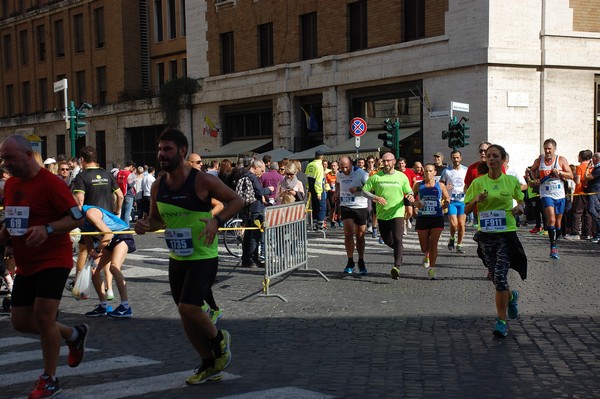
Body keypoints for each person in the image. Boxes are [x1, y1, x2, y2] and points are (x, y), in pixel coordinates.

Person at [134, 127, 243, 384]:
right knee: (185, 314)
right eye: (160, 149)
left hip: (203, 256)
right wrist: (145, 226)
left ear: (182, 151)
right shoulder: (158, 186)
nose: (162, 154)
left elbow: (236, 200)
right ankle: (209, 363)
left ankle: (219, 339)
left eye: (167, 149)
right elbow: (157, 221)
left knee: (189, 307)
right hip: (178, 257)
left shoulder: (201, 180)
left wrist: (217, 222)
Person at [0, 135, 87, 398]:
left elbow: (77, 217)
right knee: (20, 321)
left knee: (44, 317)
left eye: (9, 158)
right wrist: (6, 237)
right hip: (27, 263)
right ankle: (73, 334)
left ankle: (50, 379)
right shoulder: (12, 184)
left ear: (27, 155)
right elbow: (16, 218)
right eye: (3, 158)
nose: (5, 163)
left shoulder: (52, 183)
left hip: (53, 260)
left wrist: (48, 228)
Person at [464, 144, 526, 338]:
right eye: (489, 156)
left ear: (502, 159)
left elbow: (522, 201)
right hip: (486, 235)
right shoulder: (478, 183)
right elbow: (466, 209)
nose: (491, 159)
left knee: (500, 276)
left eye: (495, 156)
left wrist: (519, 208)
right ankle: (511, 296)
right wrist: (476, 201)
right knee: (495, 276)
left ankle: (501, 321)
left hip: (506, 234)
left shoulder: (511, 181)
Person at [72, 146, 124, 300]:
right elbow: (120, 195)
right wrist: (115, 212)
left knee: (85, 253)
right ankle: (109, 290)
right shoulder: (107, 174)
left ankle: (81, 288)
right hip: (107, 221)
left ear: (82, 159)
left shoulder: (81, 176)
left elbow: (80, 201)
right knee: (106, 254)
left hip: (90, 223)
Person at [360, 152, 415, 280]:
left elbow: (409, 190)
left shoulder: (402, 177)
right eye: (384, 161)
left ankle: (396, 266)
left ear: (394, 161)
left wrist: (411, 195)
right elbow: (364, 191)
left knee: (397, 238)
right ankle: (399, 250)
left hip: (397, 212)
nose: (386, 163)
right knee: (387, 240)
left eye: (388, 161)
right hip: (382, 214)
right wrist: (375, 197)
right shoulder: (376, 177)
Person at [82, 205, 136, 318]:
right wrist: (91, 256)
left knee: (114, 267)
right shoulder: (79, 219)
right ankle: (104, 306)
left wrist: (97, 250)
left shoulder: (90, 213)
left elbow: (109, 233)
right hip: (108, 241)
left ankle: (126, 307)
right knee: (93, 270)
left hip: (121, 235)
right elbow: (88, 240)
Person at [530, 139, 573, 259]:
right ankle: (553, 247)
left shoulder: (561, 160)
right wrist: (535, 179)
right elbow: (532, 170)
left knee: (558, 223)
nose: (547, 151)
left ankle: (557, 236)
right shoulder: (539, 160)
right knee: (551, 219)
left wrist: (560, 172)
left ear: (554, 149)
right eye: (545, 148)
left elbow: (571, 175)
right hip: (546, 194)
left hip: (559, 195)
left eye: (549, 148)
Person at [413, 163, 450, 280]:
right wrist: (415, 204)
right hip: (423, 218)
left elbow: (447, 198)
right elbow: (411, 198)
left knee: (434, 242)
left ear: (435, 173)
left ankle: (432, 268)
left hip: (437, 217)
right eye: (426, 171)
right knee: (424, 247)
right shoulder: (418, 185)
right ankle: (427, 254)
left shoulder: (440, 185)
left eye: (430, 171)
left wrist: (446, 202)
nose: (428, 173)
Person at [336, 156, 369, 275]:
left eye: (346, 167)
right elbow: (338, 183)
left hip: (360, 206)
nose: (344, 170)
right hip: (346, 206)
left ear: (351, 164)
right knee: (348, 234)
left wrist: (358, 188)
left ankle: (361, 260)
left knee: (360, 235)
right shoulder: (339, 174)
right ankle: (350, 261)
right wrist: (337, 193)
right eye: (342, 167)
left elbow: (370, 188)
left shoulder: (361, 173)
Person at [240, 159, 273, 268]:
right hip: (255, 208)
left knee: (248, 236)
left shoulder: (243, 174)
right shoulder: (253, 177)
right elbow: (259, 191)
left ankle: (245, 259)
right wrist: (269, 189)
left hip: (247, 208)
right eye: (262, 170)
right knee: (255, 236)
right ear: (256, 167)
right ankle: (252, 260)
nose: (262, 173)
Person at [440, 150, 468, 253]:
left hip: (463, 200)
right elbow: (441, 184)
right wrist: (445, 188)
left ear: (460, 158)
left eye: (457, 158)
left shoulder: (466, 170)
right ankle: (452, 238)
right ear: (451, 159)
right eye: (454, 158)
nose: (456, 160)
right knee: (454, 224)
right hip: (451, 201)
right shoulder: (447, 171)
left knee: (461, 224)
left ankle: (459, 245)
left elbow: (470, 183)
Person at [567, 150, 593, 240]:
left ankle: (575, 233)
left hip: (579, 192)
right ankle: (587, 233)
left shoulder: (580, 167)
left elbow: (577, 181)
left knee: (576, 213)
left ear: (581, 157)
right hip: (589, 193)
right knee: (587, 214)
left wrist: (574, 178)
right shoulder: (592, 167)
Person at [305, 150, 327, 230]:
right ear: (322, 157)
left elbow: (307, 178)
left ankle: (314, 223)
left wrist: (308, 189)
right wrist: (319, 193)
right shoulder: (319, 166)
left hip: (311, 190)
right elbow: (319, 181)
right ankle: (320, 225)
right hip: (318, 190)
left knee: (314, 207)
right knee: (322, 207)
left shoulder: (309, 165)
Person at [584, 152, 600, 243]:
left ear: (595, 159)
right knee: (594, 212)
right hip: (594, 192)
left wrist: (587, 168)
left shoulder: (598, 169)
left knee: (594, 212)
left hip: (595, 193)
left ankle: (598, 235)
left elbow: (587, 177)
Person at [325, 160, 342, 228]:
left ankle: (339, 219)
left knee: (340, 207)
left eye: (334, 166)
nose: (333, 167)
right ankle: (332, 222)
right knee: (333, 208)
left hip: (340, 192)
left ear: (337, 167)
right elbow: (326, 183)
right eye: (332, 166)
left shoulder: (340, 174)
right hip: (331, 193)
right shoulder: (328, 174)